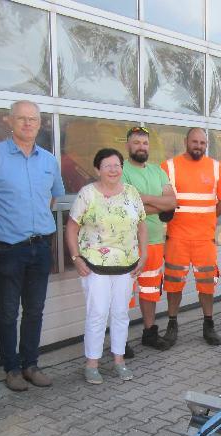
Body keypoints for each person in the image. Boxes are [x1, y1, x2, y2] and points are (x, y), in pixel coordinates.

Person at [0, 101, 65, 391]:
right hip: (7, 249)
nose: (28, 124)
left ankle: (30, 364)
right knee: (8, 311)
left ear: (40, 124)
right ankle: (11, 369)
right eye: (22, 119)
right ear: (8, 121)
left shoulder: (49, 160)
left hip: (41, 247)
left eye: (33, 120)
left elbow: (55, 197)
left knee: (35, 309)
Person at [65, 149, 148, 385]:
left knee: (121, 314)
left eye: (117, 165)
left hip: (126, 265)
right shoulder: (87, 194)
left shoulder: (131, 193)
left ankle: (119, 360)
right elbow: (71, 227)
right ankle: (92, 364)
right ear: (97, 170)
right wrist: (75, 258)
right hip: (94, 266)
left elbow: (141, 225)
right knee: (98, 313)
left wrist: (144, 255)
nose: (113, 170)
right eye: (107, 165)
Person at [161, 128, 221, 346]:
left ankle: (208, 325)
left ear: (206, 144)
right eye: (195, 142)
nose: (198, 146)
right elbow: (162, 200)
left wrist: (208, 218)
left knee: (207, 284)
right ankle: (172, 324)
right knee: (173, 285)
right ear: (186, 142)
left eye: (202, 142)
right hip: (176, 238)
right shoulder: (169, 166)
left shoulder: (216, 167)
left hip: (204, 240)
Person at [122, 126, 176, 350]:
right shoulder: (120, 169)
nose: (141, 147)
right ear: (128, 145)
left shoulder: (158, 171)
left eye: (144, 143)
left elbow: (172, 203)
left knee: (150, 289)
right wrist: (158, 203)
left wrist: (142, 200)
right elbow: (125, 205)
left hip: (155, 241)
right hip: (126, 243)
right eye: (136, 143)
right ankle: (120, 341)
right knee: (123, 293)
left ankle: (149, 333)